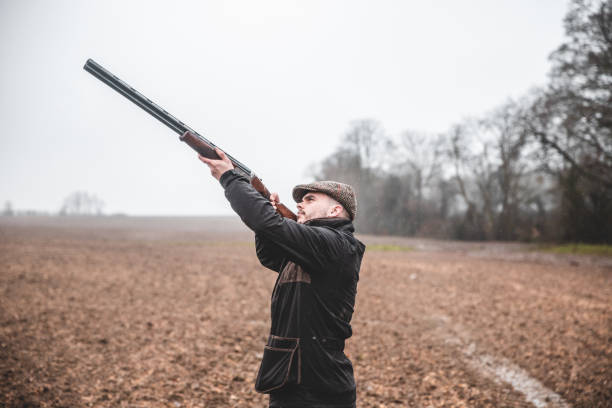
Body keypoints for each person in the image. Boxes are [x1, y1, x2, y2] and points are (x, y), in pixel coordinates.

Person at [199, 148, 365, 408]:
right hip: (293, 380)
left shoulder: (335, 245)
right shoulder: (311, 248)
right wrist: (271, 211)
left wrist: (231, 179)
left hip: (317, 391)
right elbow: (270, 253)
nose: (299, 204)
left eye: (309, 199)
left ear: (335, 211)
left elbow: (267, 225)